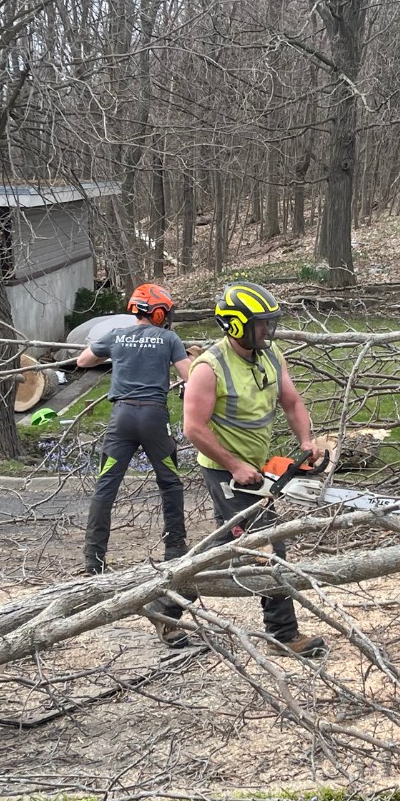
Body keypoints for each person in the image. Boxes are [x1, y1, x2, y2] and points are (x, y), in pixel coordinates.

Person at [182, 279, 326, 659]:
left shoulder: (270, 353)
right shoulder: (208, 368)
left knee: (223, 548)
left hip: (257, 467)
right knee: (267, 547)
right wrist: (234, 464)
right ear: (235, 324)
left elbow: (291, 400)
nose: (268, 329)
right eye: (261, 323)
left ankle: (165, 600)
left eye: (269, 322)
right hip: (224, 471)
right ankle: (283, 633)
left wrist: (306, 441)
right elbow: (193, 428)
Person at [77, 284, 191, 640]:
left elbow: (83, 361)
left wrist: (112, 354)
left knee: (106, 486)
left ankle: (93, 559)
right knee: (170, 482)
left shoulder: (116, 334)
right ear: (157, 312)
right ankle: (175, 547)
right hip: (154, 418)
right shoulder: (168, 340)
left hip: (121, 417)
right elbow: (189, 375)